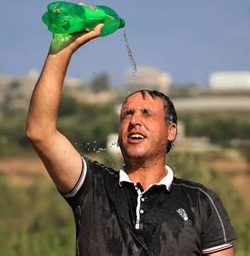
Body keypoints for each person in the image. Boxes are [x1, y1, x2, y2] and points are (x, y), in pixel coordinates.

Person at [26, 24, 236, 255]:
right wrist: (62, 49)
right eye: (127, 114)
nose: (134, 120)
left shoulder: (200, 202)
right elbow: (40, 132)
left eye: (146, 113)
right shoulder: (92, 187)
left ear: (171, 130)